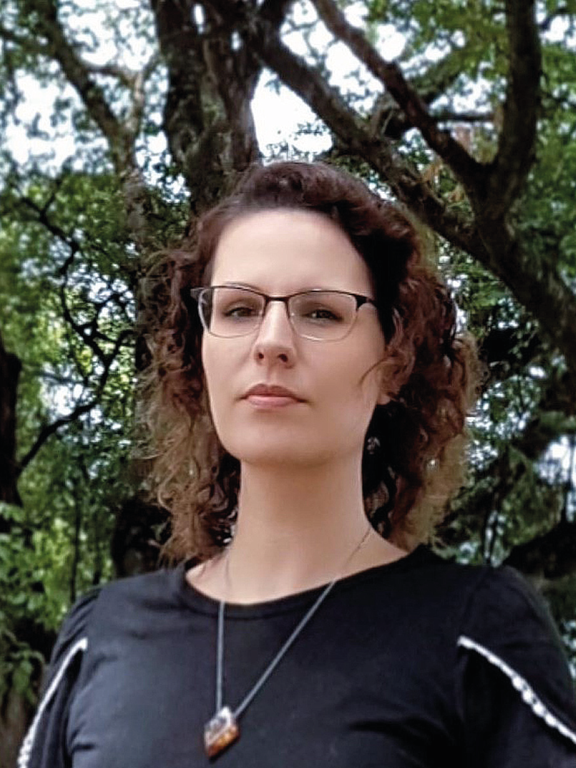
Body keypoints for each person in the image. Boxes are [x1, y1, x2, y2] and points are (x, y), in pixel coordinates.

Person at [19, 161, 576, 767]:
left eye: (320, 312)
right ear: (199, 355)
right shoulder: (101, 635)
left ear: (392, 363)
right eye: (238, 309)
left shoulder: (476, 633)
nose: (272, 341)